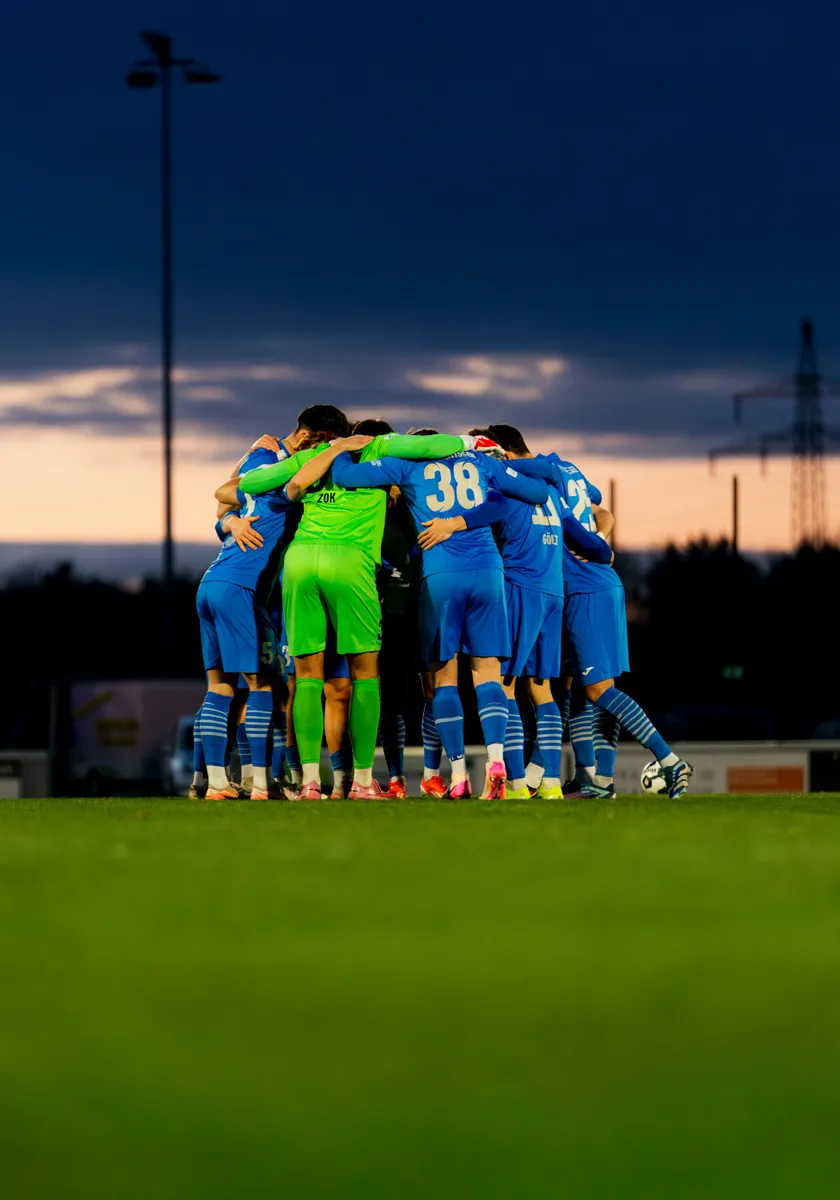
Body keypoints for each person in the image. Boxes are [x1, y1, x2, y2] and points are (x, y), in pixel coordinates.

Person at [237, 426, 491, 799]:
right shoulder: (378, 450)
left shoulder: (318, 454)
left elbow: (254, 483)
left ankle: (308, 782)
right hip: (351, 560)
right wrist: (472, 443)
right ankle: (360, 781)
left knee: (307, 677)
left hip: (302, 560)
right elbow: (426, 445)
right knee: (365, 675)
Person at [331, 438, 550, 798]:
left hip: (442, 574)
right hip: (487, 571)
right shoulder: (479, 461)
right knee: (487, 672)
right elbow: (537, 492)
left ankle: (460, 774)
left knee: (444, 676)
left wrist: (342, 445)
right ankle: (496, 761)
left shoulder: (406, 465)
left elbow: (344, 475)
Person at [490, 431, 694, 800]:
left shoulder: (543, 471)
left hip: (587, 588)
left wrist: (598, 546)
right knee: (578, 687)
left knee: (599, 689)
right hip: (583, 588)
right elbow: (601, 508)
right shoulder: (568, 468)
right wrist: (602, 535)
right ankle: (595, 780)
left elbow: (526, 473)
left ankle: (670, 760)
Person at [465, 424, 614, 799]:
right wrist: (604, 550)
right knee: (542, 690)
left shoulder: (506, 488)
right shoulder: (552, 489)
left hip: (521, 588)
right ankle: (549, 784)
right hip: (554, 594)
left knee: (504, 685)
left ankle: (515, 783)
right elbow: (589, 531)